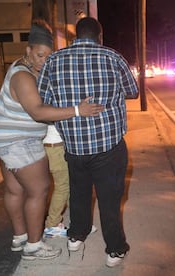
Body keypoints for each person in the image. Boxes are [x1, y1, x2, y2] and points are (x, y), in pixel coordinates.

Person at [0, 20, 104, 261]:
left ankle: (19, 237)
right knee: (39, 190)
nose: (44, 60)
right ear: (28, 50)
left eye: (48, 56)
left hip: (3, 138)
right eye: (40, 55)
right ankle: (33, 245)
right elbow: (38, 112)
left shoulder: (22, 68)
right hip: (20, 141)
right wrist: (77, 110)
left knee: (15, 190)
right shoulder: (23, 77)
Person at [37, 17, 138, 267]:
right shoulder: (113, 57)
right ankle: (114, 250)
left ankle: (76, 235)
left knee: (79, 193)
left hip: (73, 146)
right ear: (99, 37)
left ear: (75, 37)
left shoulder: (53, 61)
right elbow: (133, 91)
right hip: (109, 146)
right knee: (109, 200)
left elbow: (42, 100)